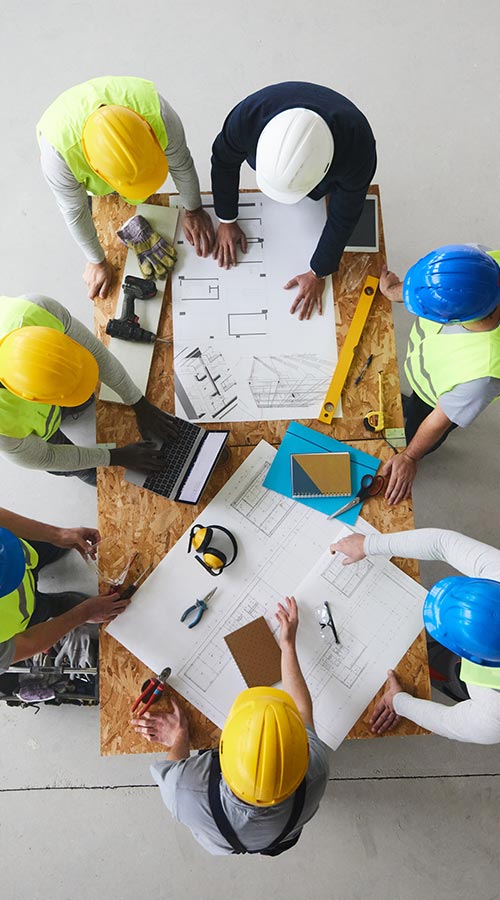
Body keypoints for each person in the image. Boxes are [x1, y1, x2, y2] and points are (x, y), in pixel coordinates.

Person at [132, 596, 329, 855]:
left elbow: (171, 767)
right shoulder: (315, 773)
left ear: (221, 748)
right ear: (301, 752)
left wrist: (179, 737)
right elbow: (302, 709)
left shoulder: (185, 790)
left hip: (220, 838)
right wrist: (287, 646)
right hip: (283, 828)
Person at [37, 76, 214, 300]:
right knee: (97, 207)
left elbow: (181, 164)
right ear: (96, 170)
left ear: (149, 133)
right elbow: (74, 211)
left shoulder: (160, 116)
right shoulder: (58, 158)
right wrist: (97, 261)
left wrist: (194, 209)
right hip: (64, 135)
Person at [210, 82, 376, 320]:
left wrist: (319, 271)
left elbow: (345, 215)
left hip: (342, 145)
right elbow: (223, 162)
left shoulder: (358, 149)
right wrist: (226, 218)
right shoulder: (248, 116)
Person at [330, 529, 500, 745]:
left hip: (481, 685)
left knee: (441, 670)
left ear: (465, 653)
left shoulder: (493, 715)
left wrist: (399, 701)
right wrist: (368, 545)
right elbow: (441, 543)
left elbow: (446, 721)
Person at [0, 293, 179, 485]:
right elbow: (48, 456)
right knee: (86, 471)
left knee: (83, 399)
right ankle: (87, 471)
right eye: (66, 394)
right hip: (18, 423)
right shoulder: (5, 430)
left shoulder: (38, 311)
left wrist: (140, 403)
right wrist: (116, 457)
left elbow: (97, 355)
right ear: (33, 398)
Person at [379, 244, 500, 505]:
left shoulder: (481, 377)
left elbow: (438, 420)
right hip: (428, 377)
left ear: (452, 319)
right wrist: (394, 291)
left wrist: (410, 457)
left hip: (434, 401)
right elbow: (435, 286)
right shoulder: (477, 264)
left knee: (415, 432)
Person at [0, 506, 130, 674]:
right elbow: (29, 642)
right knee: (45, 608)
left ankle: (51, 550)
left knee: (48, 547)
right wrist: (86, 612)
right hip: (23, 615)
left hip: (18, 549)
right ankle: (55, 605)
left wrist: (58, 535)